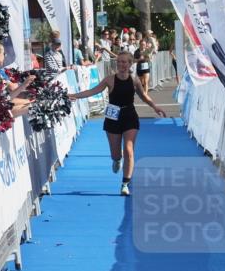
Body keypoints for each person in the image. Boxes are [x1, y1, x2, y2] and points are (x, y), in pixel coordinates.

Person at [67, 50, 166, 196]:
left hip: (129, 115)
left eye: (124, 62)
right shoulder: (109, 79)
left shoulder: (134, 79)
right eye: (119, 62)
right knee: (115, 154)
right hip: (113, 116)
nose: (121, 64)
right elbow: (92, 91)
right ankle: (117, 159)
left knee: (129, 149)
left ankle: (125, 183)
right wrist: (74, 96)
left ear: (130, 64)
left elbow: (144, 96)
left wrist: (155, 107)